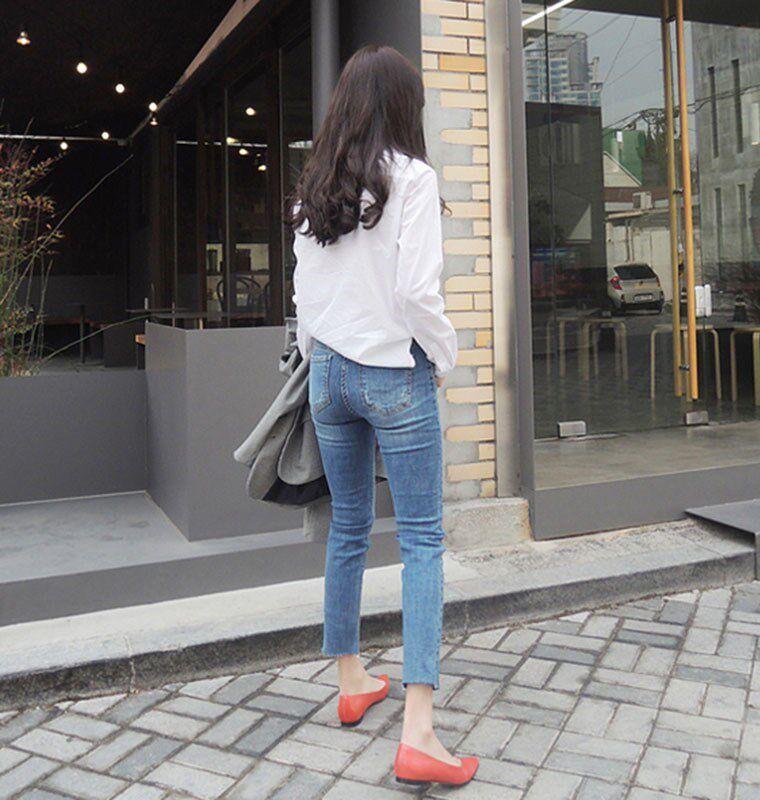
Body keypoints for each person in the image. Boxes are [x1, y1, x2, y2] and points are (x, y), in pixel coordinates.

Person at [289, 45, 478, 787]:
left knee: (348, 527)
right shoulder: (414, 179)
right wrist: (444, 355)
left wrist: (321, 358)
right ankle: (419, 732)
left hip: (328, 373)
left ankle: (351, 681)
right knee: (423, 540)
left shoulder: (315, 185)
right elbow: (416, 293)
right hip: (393, 371)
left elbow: (304, 296)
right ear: (403, 105)